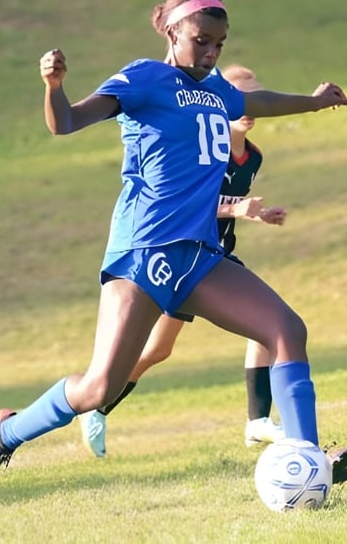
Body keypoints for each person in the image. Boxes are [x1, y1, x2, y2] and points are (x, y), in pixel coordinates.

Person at [0, 0, 347, 494]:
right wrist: (54, 86)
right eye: (202, 41)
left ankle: (309, 460)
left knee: (286, 329)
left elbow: (253, 101)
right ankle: (3, 435)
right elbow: (65, 122)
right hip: (143, 252)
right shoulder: (144, 78)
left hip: (199, 258)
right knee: (98, 388)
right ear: (172, 31)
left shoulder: (216, 87)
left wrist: (311, 103)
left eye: (220, 44)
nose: (212, 53)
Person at [77, 65, 290, 457]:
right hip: (179, 255)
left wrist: (256, 212)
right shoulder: (197, 143)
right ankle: (96, 404)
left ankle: (257, 421)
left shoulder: (253, 157)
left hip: (215, 258)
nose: (248, 106)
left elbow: (225, 205)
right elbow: (191, 203)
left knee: (267, 329)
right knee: (157, 351)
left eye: (255, 94)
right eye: (241, 95)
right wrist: (237, 208)